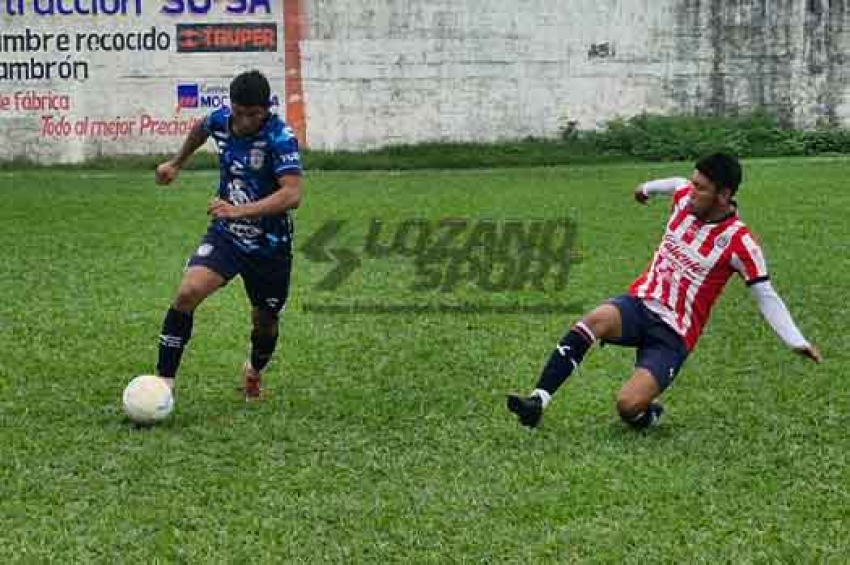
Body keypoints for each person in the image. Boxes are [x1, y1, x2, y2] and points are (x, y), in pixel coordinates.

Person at [507, 153, 822, 429]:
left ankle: (647, 415)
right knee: (595, 319)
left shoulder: (741, 245)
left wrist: (795, 340)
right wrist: (644, 189)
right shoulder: (685, 198)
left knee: (627, 406)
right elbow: (675, 182)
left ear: (724, 195)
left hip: (673, 335)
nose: (691, 192)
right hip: (640, 305)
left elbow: (765, 295)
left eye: (701, 188)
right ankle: (538, 402)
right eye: (694, 183)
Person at [152, 69, 303, 400]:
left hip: (270, 247)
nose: (245, 121)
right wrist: (177, 163)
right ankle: (163, 385)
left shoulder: (280, 137)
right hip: (227, 235)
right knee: (187, 292)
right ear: (231, 106)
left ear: (267, 109)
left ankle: (254, 370)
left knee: (265, 322)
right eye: (240, 113)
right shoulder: (222, 119)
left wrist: (239, 209)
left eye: (254, 114)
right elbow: (201, 128)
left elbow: (292, 195)